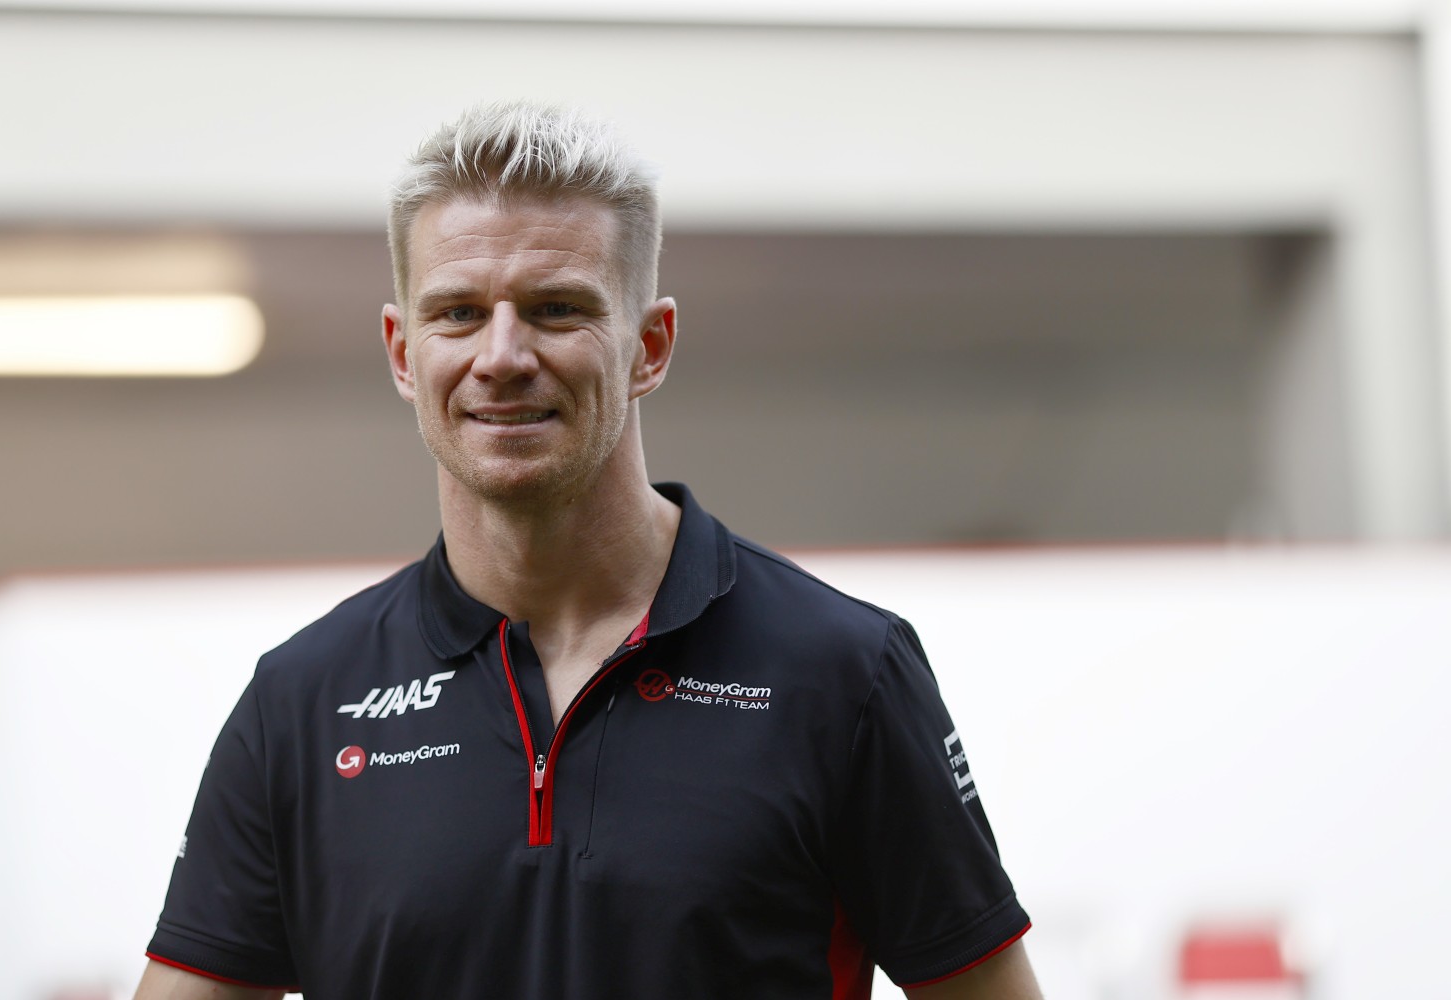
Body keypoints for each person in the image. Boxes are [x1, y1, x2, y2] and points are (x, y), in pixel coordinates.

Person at [135, 101, 1041, 1000]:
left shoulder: (841, 672)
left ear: (649, 346)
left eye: (555, 308)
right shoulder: (303, 702)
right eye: (455, 313)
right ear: (402, 352)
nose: (501, 355)